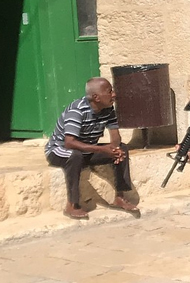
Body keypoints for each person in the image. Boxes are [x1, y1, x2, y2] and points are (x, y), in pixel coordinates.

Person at [45, 77, 139, 220]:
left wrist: (115, 150)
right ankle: (72, 205)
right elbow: (69, 143)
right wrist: (102, 149)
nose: (114, 94)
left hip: (86, 151)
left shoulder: (108, 109)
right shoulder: (77, 110)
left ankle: (120, 197)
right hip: (59, 150)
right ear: (96, 97)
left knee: (123, 148)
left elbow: (115, 136)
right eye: (109, 91)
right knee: (75, 155)